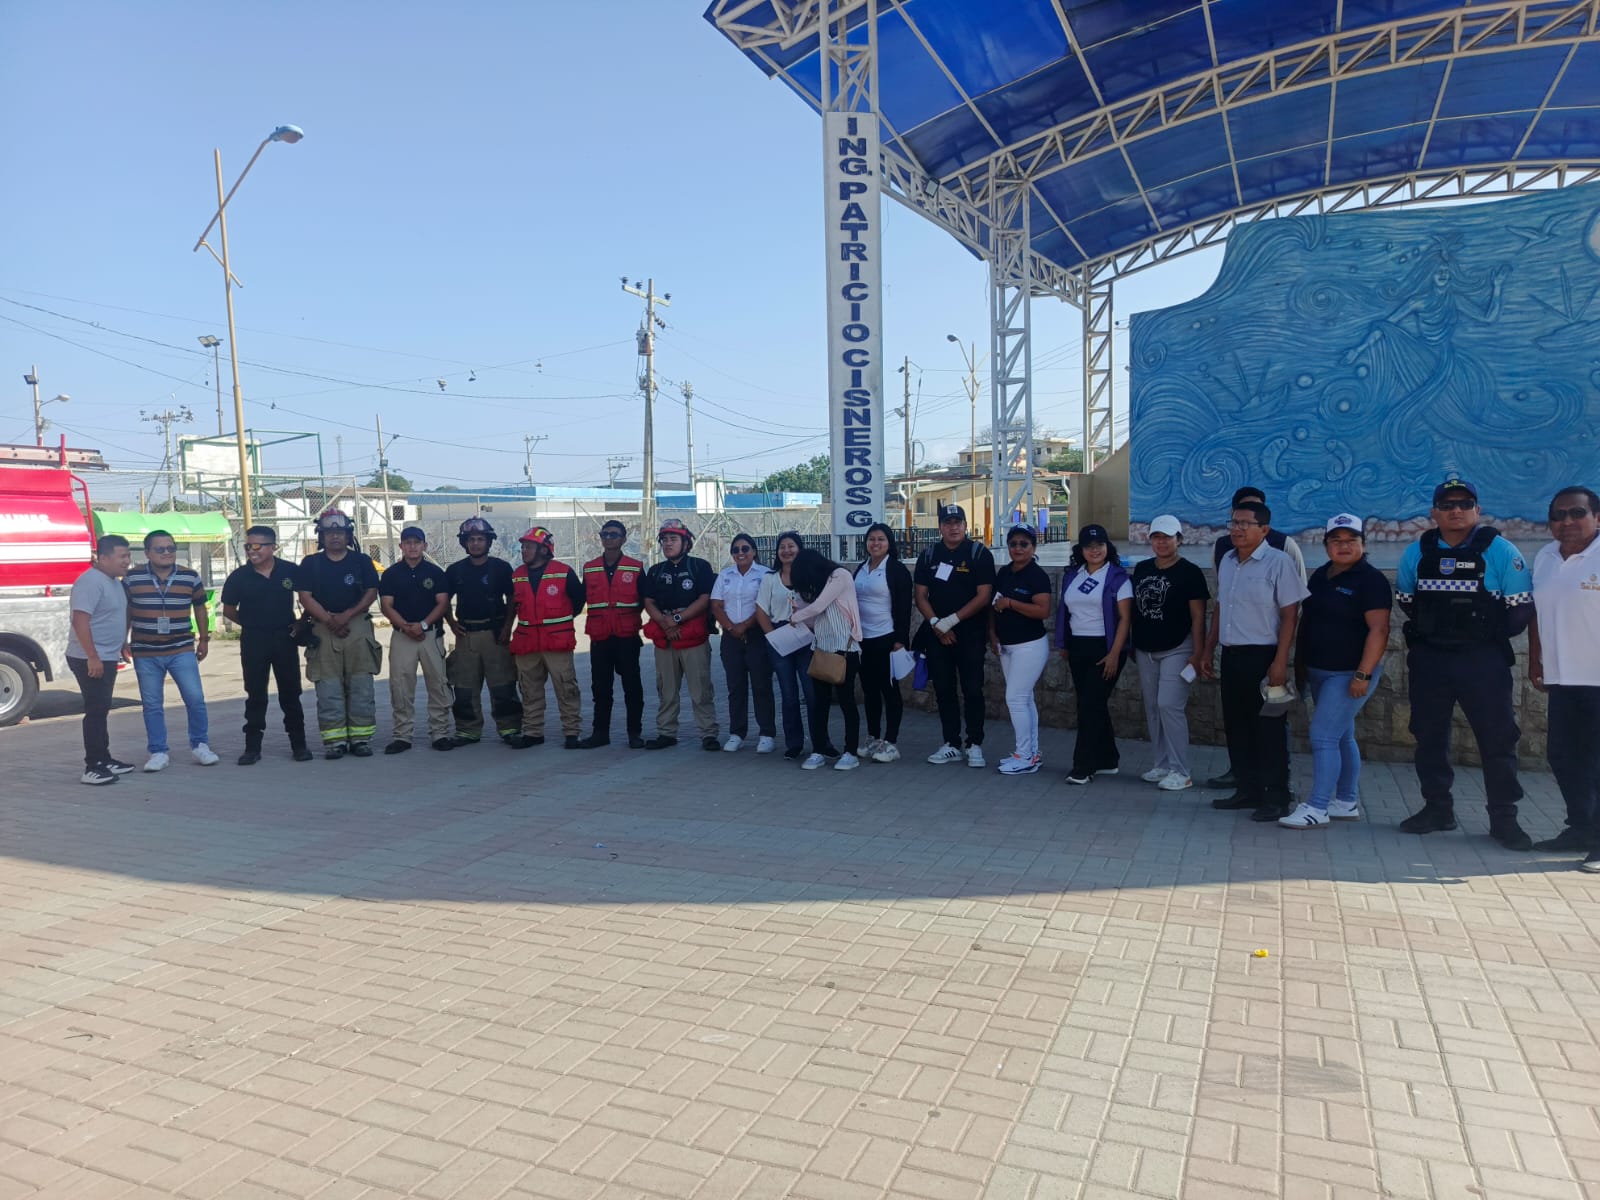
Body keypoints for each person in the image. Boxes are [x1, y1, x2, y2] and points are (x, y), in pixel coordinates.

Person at [1396, 477, 1534, 849]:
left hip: (1482, 661)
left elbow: (1520, 609)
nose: (1456, 510)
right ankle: (1437, 809)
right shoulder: (1418, 551)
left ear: (1477, 509)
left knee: (1497, 739)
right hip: (1431, 660)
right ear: (1434, 512)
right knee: (1428, 736)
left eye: (1464, 504)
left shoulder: (1501, 550)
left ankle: (1504, 819)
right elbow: (1407, 600)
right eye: (1447, 504)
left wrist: (1483, 637)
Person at [1279, 514, 1392, 829]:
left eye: (1351, 540)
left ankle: (1317, 807)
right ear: (1326, 544)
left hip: (1348, 673)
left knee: (1323, 736)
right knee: (1342, 735)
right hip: (1318, 669)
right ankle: (1345, 802)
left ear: (1363, 544)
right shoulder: (1320, 576)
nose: (1343, 546)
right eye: (1336, 541)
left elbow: (1380, 630)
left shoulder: (1371, 581)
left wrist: (1363, 675)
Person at [1203, 499, 1309, 820]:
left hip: (1263, 657)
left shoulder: (1279, 562)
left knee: (1269, 730)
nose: (1236, 529)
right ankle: (1247, 790)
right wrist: (1208, 649)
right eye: (1233, 523)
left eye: (1244, 524)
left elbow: (1290, 615)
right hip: (1232, 655)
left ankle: (1276, 798)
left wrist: (1280, 661)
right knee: (1237, 727)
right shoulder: (1227, 561)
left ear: (1264, 529)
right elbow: (1221, 607)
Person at [1527, 486, 1600, 868]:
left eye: (1576, 513)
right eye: (1558, 515)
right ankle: (1581, 829)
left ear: (1597, 517)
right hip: (1563, 678)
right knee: (1565, 757)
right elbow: (1537, 614)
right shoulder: (1545, 557)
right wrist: (1536, 659)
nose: (1566, 521)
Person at [124, 529, 218, 771]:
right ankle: (158, 752)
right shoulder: (132, 578)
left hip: (181, 649)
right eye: (160, 549)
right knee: (152, 704)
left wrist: (204, 639)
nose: (167, 553)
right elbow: (126, 611)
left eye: (171, 548)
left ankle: (200, 745)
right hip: (145, 651)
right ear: (147, 553)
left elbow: (200, 607)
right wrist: (123, 640)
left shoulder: (190, 576)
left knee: (195, 699)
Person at [221, 526, 312, 765]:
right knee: (256, 695)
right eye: (247, 546)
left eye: (257, 546)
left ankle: (299, 745)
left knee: (290, 694)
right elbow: (229, 610)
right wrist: (252, 624)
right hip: (254, 640)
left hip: (284, 638)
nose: (251, 551)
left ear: (273, 547)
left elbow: (309, 599)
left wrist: (302, 623)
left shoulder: (290, 570)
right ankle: (252, 748)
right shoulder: (239, 577)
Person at [1130, 515, 1208, 790]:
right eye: (1157, 537)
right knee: (1153, 707)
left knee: (1168, 705)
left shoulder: (1190, 572)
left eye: (1167, 537)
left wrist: (1198, 653)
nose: (1161, 542)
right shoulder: (1142, 569)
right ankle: (1161, 764)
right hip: (1146, 649)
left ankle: (1180, 770)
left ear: (1179, 540)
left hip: (1177, 647)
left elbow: (1198, 616)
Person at [296, 508, 382, 759]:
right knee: (328, 686)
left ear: (348, 535)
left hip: (357, 626)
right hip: (323, 628)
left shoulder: (362, 561)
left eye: (340, 532)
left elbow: (371, 592)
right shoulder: (311, 563)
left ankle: (361, 739)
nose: (335, 536)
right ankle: (335, 742)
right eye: (329, 533)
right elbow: (305, 597)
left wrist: (347, 615)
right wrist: (329, 619)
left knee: (361, 685)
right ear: (321, 536)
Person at [915, 504, 996, 766]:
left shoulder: (978, 553)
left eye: (957, 522)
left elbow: (984, 596)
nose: (953, 527)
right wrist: (937, 624)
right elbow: (920, 596)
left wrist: (951, 621)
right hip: (937, 634)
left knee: (972, 688)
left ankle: (974, 744)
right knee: (943, 689)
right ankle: (951, 743)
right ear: (940, 526)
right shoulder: (929, 555)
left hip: (970, 634)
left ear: (965, 525)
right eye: (948, 523)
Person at [1055, 524, 1133, 785]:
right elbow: (1066, 611)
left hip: (1105, 648)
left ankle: (1083, 766)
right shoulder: (1072, 575)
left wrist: (1114, 654)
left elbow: (1125, 619)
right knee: (1091, 704)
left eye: (1099, 545)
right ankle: (1108, 759)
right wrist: (1064, 643)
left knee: (1089, 706)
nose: (1095, 550)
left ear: (1107, 546)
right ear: (1081, 550)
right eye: (1089, 546)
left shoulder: (1118, 577)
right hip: (1078, 647)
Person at [503, 526, 586, 750]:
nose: (523, 550)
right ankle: (533, 733)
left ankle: (571, 732)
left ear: (544, 549)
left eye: (528, 546)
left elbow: (578, 601)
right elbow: (512, 605)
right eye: (523, 547)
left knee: (566, 688)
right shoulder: (517, 574)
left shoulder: (563, 572)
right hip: (527, 641)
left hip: (556, 641)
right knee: (529, 689)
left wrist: (560, 622)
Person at [642, 518, 719, 751]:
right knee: (666, 689)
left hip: (693, 639)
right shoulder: (656, 571)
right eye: (664, 539)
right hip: (665, 638)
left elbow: (705, 598)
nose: (667, 543)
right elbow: (648, 601)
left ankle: (708, 733)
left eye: (673, 539)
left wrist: (677, 619)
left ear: (686, 543)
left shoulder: (699, 567)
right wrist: (665, 623)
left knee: (701, 689)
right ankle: (666, 732)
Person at [443, 516, 522, 745]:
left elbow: (512, 598)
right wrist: (451, 622)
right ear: (464, 543)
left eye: (480, 539)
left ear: (488, 542)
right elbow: (443, 599)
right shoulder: (455, 571)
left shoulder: (501, 568)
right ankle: (468, 731)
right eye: (471, 539)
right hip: (466, 636)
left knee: (503, 685)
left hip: (495, 635)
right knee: (464, 687)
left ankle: (510, 729)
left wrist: (507, 627)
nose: (475, 543)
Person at [378, 526, 455, 754]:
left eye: (417, 542)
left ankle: (440, 733)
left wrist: (422, 625)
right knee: (400, 686)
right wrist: (406, 626)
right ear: (401, 546)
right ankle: (402, 736)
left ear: (424, 546)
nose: (412, 546)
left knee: (438, 684)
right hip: (402, 636)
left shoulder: (435, 572)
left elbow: (443, 603)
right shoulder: (391, 574)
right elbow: (386, 606)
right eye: (408, 542)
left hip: (430, 635)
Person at [66, 534, 134, 784]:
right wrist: (92, 657)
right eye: (122, 556)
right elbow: (80, 621)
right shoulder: (90, 582)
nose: (127, 561)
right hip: (88, 657)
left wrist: (122, 643)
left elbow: (114, 616)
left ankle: (104, 759)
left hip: (106, 655)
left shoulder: (114, 582)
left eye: (128, 555)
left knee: (102, 708)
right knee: (95, 710)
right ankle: (92, 766)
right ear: (103, 558)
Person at [789, 547, 863, 770]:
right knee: (819, 704)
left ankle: (850, 752)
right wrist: (797, 606)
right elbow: (816, 619)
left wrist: (796, 616)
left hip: (844, 651)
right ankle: (818, 750)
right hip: (821, 649)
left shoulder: (840, 576)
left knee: (847, 702)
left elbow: (819, 606)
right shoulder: (820, 586)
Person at [990, 525, 1053, 775]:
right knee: (1025, 699)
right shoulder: (1004, 572)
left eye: (1024, 544)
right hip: (1007, 646)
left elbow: (1043, 611)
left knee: (1015, 698)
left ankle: (1024, 755)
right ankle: (1031, 753)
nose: (1018, 548)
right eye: (1013, 544)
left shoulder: (1037, 576)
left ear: (1033, 548)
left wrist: (1011, 603)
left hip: (1030, 646)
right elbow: (993, 605)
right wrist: (992, 634)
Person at [577, 520, 645, 749]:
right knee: (600, 688)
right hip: (600, 638)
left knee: (632, 687)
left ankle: (634, 733)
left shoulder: (635, 567)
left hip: (626, 636)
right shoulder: (590, 567)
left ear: (624, 539)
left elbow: (645, 600)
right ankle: (600, 733)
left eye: (614, 534)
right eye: (604, 534)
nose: (608, 538)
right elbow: (579, 599)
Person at [712, 532, 775, 753]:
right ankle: (737, 733)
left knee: (761, 686)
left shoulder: (765, 574)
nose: (740, 553)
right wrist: (731, 627)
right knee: (735, 687)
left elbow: (765, 605)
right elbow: (716, 605)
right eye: (736, 550)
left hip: (756, 635)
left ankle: (766, 734)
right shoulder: (725, 575)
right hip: (731, 637)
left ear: (754, 551)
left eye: (745, 548)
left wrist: (745, 625)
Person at [854, 522, 912, 763]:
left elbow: (904, 608)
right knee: (870, 691)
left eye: (880, 539)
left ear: (889, 543)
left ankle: (891, 741)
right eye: (871, 539)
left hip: (886, 638)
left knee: (889, 690)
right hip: (863, 639)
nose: (875, 543)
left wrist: (900, 640)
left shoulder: (897, 570)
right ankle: (873, 737)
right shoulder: (861, 568)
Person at [755, 531, 815, 760]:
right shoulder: (770, 578)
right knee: (789, 694)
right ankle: (794, 743)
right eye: (782, 547)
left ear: (800, 549)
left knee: (812, 693)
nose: (786, 550)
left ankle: (820, 741)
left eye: (791, 546)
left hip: (805, 636)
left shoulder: (809, 575)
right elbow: (761, 610)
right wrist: (773, 637)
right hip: (779, 635)